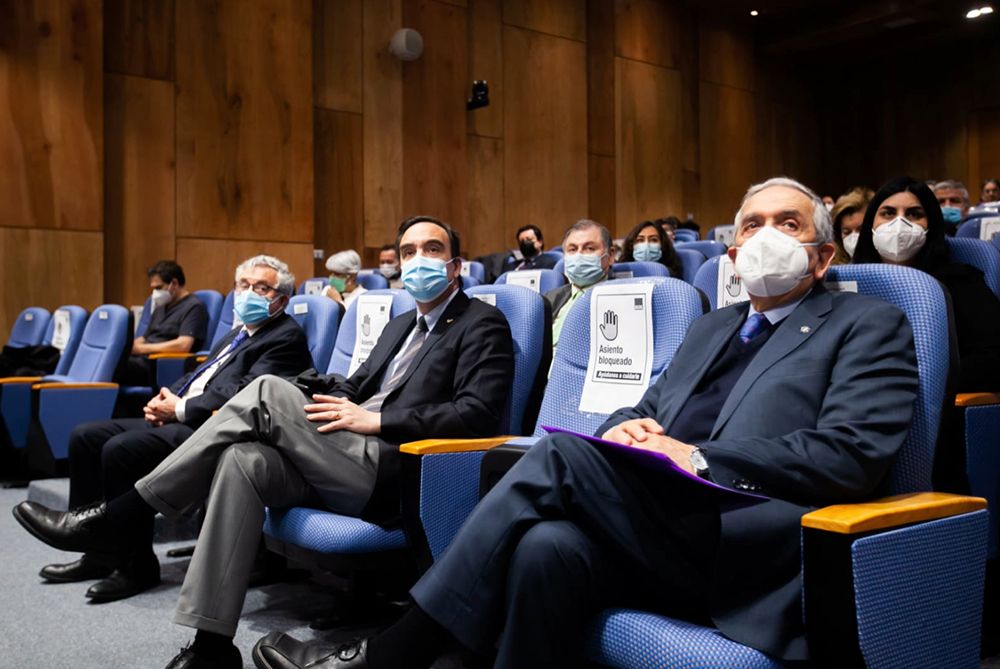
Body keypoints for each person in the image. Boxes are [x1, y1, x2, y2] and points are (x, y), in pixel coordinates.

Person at [247, 177, 919, 669]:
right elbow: (648, 406)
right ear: (734, 252)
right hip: (662, 520)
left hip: (748, 537)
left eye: (789, 223)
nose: (766, 236)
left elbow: (850, 453)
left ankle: (392, 655)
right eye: (751, 225)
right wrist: (628, 427)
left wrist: (703, 457)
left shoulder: (868, 322)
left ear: (824, 254)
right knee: (547, 547)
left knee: (553, 458)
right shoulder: (712, 325)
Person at [13, 215, 515, 669]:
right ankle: (210, 645)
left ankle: (119, 515)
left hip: (396, 467)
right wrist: (322, 390)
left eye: (431, 249)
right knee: (242, 458)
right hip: (339, 449)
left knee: (265, 391)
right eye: (407, 252)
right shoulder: (402, 323)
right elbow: (356, 385)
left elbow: (477, 414)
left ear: (455, 266)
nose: (416, 261)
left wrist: (377, 422)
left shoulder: (483, 323)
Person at [33, 255, 312, 602]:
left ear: (281, 300)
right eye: (244, 285)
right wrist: (167, 397)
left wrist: (178, 409)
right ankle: (99, 553)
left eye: (262, 287)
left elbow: (245, 393)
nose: (250, 292)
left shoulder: (285, 337)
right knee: (85, 436)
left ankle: (135, 566)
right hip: (189, 414)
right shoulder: (237, 333)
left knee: (120, 450)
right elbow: (201, 376)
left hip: (215, 427)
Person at [852, 176, 1000, 393]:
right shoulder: (849, 283)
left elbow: (992, 360)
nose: (899, 223)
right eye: (888, 213)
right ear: (871, 224)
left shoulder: (961, 283)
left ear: (931, 224)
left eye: (914, 214)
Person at [125, 260, 209, 387]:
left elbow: (183, 345)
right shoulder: (161, 307)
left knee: (112, 367)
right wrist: (128, 347)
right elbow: (145, 338)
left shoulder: (194, 307)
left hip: (158, 365)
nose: (155, 293)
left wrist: (142, 349)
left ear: (174, 283)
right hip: (141, 360)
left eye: (158, 288)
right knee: (110, 361)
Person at [544, 219, 612, 358]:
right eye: (573, 249)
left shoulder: (623, 300)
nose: (579, 255)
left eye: (589, 248)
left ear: (610, 256)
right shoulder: (549, 298)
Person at [619, 219, 683, 278]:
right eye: (640, 240)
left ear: (663, 245)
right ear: (631, 246)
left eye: (654, 240)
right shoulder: (621, 271)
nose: (646, 245)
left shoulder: (669, 274)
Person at [830, 187, 874, 264]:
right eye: (847, 232)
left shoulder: (892, 268)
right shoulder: (835, 272)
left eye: (861, 230)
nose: (854, 238)